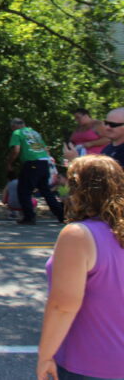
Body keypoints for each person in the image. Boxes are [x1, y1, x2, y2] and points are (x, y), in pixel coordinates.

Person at [37, 155, 124, 380]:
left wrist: (45, 356)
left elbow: (63, 306)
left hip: (90, 363)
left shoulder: (79, 235)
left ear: (80, 190)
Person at [7, 118, 64, 226]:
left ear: (14, 126)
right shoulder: (35, 133)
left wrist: (9, 162)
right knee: (46, 191)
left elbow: (16, 150)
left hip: (32, 163)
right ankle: (61, 215)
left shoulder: (17, 133)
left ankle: (29, 217)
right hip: (43, 162)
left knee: (24, 190)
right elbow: (46, 149)